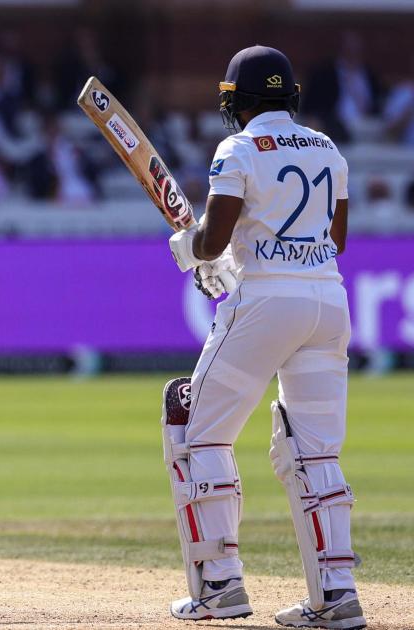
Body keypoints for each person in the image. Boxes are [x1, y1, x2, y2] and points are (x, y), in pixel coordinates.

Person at [162, 46, 364, 630]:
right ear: (291, 96)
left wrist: (193, 253)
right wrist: (229, 253)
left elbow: (211, 237)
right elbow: (337, 239)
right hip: (329, 303)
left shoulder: (238, 148)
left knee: (197, 429)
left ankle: (219, 585)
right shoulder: (328, 147)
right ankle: (337, 594)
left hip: (266, 303)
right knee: (314, 451)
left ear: (238, 102)